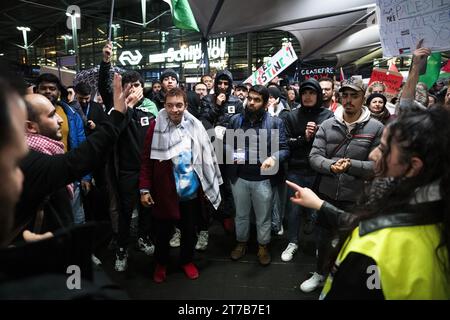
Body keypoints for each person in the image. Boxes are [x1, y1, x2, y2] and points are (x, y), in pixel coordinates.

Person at [286, 106, 450, 299]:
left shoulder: (371, 248)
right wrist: (320, 204)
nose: (373, 155)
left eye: (383, 148)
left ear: (413, 166)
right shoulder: (434, 215)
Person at [305, 77, 384, 293]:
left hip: (356, 196)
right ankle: (320, 274)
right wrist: (332, 166)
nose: (348, 100)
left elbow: (377, 166)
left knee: (352, 242)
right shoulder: (328, 125)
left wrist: (350, 165)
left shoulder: (376, 128)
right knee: (322, 239)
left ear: (363, 98)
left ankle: (344, 281)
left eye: (354, 96)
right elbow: (314, 157)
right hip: (327, 193)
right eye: (345, 95)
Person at [139, 88, 222, 283]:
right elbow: (146, 161)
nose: (174, 109)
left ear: (186, 105)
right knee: (162, 233)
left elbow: (206, 156)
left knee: (189, 231)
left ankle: (187, 261)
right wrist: (144, 189)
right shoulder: (154, 127)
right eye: (169, 105)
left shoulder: (195, 126)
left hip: (190, 192)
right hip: (165, 192)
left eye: (179, 105)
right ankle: (161, 263)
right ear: (164, 106)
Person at [99, 42, 157, 272]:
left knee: (147, 210)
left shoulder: (150, 112)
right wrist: (106, 62)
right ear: (122, 89)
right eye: (129, 86)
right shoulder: (118, 112)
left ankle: (144, 237)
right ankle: (122, 248)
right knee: (124, 212)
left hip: (146, 172)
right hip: (125, 172)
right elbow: (106, 89)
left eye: (138, 85)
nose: (134, 89)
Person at [227, 85, 289, 266]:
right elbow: (227, 147)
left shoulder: (275, 122)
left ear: (265, 102)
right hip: (239, 177)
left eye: (257, 100)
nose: (252, 102)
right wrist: (236, 155)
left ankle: (263, 246)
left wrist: (273, 157)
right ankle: (241, 242)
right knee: (241, 214)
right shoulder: (236, 120)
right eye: (250, 98)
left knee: (264, 217)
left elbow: (285, 149)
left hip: (264, 179)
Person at [281, 78, 333, 262]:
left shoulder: (328, 116)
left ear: (318, 95)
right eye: (304, 93)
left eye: (312, 93)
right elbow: (285, 142)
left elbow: (332, 143)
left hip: (319, 171)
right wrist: (303, 138)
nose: (308, 96)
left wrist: (318, 133)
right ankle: (293, 242)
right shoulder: (291, 116)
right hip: (296, 169)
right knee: (294, 209)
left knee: (319, 210)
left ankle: (320, 245)